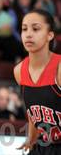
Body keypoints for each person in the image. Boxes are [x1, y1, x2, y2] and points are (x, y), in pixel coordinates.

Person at [13, 9, 61, 154]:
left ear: (50, 35)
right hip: (43, 145)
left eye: (35, 29)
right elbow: (33, 113)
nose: (28, 34)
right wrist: (31, 139)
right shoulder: (19, 71)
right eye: (24, 29)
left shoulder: (59, 68)